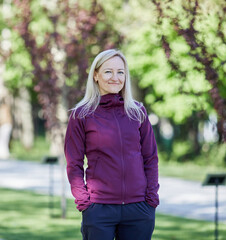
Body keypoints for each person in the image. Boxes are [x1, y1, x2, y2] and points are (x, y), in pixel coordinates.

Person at [64, 49, 159, 240]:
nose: (115, 77)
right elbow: (73, 163)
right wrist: (84, 201)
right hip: (99, 209)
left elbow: (150, 158)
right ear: (96, 75)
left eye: (120, 72)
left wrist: (151, 198)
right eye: (108, 71)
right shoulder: (81, 114)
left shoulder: (137, 112)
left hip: (139, 208)